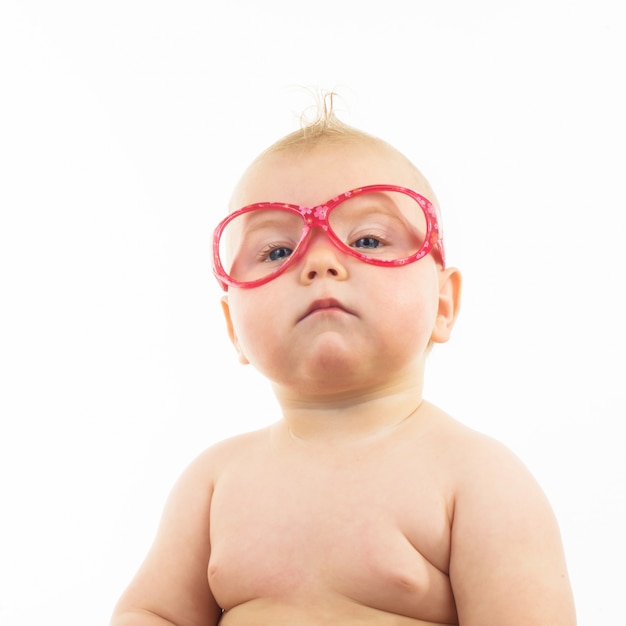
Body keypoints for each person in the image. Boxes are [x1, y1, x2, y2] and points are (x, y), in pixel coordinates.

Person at [110, 96, 576, 626]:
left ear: (443, 306)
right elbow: (151, 612)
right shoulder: (214, 482)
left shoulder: (479, 480)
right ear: (232, 328)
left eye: (368, 239)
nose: (321, 262)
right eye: (278, 251)